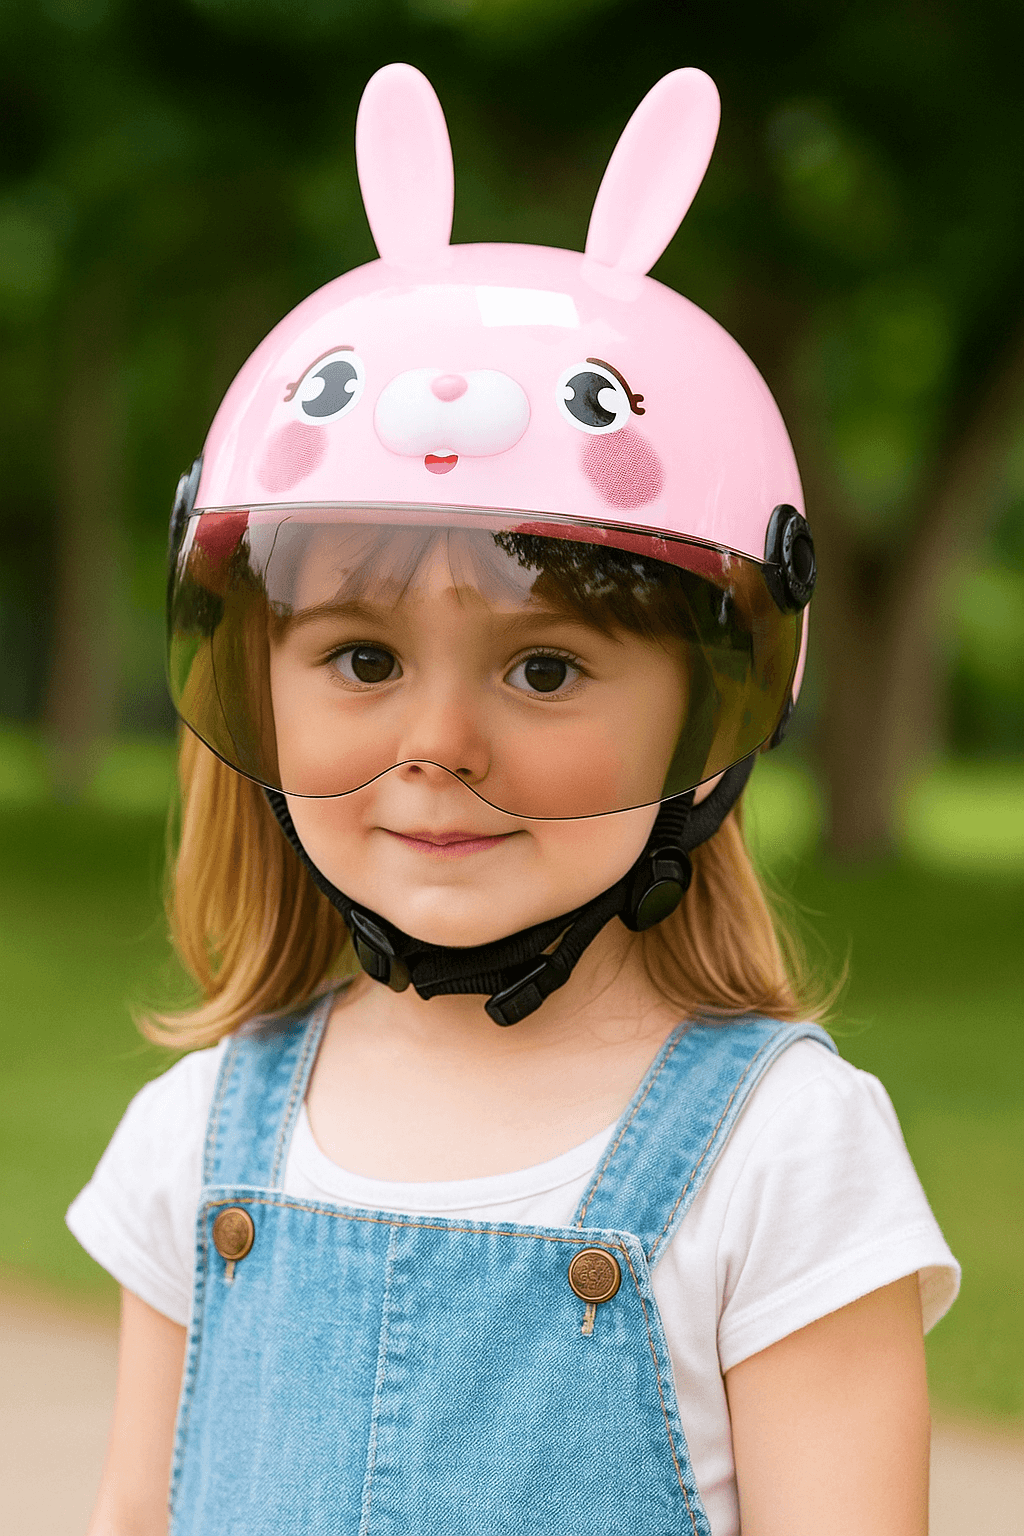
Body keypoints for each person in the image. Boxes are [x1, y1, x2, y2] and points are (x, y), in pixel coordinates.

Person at [68, 63, 958, 1536]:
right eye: (360, 655)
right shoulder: (196, 1137)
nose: (442, 741)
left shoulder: (783, 1156)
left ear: (714, 713)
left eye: (546, 670)